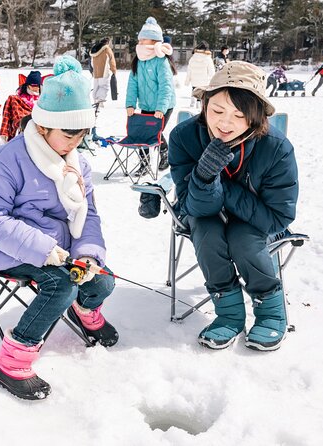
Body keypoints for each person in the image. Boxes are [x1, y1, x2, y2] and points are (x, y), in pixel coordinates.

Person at [0, 55, 118, 401]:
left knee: (103, 280)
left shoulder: (77, 161)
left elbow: (89, 215)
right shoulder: (2, 162)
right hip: (11, 248)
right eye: (69, 135)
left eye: (81, 135)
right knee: (61, 286)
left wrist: (88, 254)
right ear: (41, 126)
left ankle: (84, 311)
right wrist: (43, 249)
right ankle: (10, 362)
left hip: (64, 251)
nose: (76, 143)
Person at [168, 61, 299, 352]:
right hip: (203, 214)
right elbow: (195, 208)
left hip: (257, 223)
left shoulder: (276, 148)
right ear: (204, 104)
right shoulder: (184, 137)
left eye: (239, 115)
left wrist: (220, 184)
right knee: (206, 231)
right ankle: (229, 314)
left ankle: (270, 312)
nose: (224, 124)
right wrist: (203, 178)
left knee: (244, 239)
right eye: (216, 111)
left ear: (255, 117)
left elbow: (277, 217)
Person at [125, 17, 176, 174]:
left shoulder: (161, 61)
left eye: (143, 39)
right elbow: (132, 85)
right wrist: (130, 104)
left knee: (155, 132)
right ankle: (144, 164)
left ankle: (164, 154)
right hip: (147, 105)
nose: (140, 42)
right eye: (139, 39)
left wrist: (161, 107)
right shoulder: (139, 61)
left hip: (164, 105)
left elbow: (166, 87)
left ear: (154, 41)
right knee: (143, 134)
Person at [0, 71, 42, 142]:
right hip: (25, 121)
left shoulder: (43, 97)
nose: (35, 88)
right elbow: (17, 114)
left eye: (37, 85)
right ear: (27, 85)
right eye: (33, 85)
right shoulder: (18, 99)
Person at [184, 41, 215, 108]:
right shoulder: (208, 58)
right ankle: (199, 106)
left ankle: (192, 104)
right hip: (204, 81)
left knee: (194, 91)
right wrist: (213, 80)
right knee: (202, 94)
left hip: (194, 80)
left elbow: (189, 70)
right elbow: (211, 71)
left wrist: (187, 81)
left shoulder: (192, 58)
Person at [89, 37, 117, 105]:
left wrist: (92, 70)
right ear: (107, 42)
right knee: (104, 86)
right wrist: (113, 70)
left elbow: (91, 61)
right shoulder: (107, 49)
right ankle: (100, 100)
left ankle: (95, 99)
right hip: (104, 71)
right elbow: (112, 60)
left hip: (95, 71)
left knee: (96, 86)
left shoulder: (94, 49)